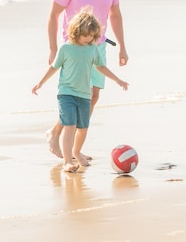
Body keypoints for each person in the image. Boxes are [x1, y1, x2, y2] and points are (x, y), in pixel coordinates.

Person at [46, 0, 129, 160]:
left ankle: (72, 147)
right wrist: (54, 48)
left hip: (98, 46)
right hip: (74, 48)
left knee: (91, 97)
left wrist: (122, 46)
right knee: (73, 95)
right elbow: (53, 14)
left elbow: (115, 15)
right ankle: (58, 137)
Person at [32, 10, 128, 172]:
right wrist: (40, 82)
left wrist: (117, 79)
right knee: (70, 125)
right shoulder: (66, 49)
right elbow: (53, 67)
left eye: (92, 36)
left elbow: (101, 67)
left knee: (83, 127)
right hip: (66, 94)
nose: (89, 39)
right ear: (76, 32)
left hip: (84, 95)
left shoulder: (92, 49)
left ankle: (76, 152)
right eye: (86, 36)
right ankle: (67, 161)